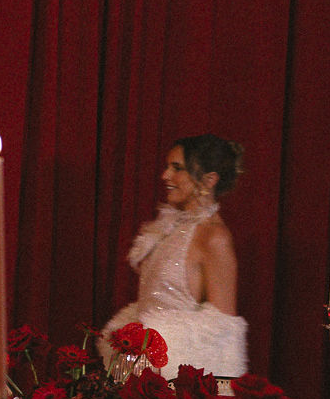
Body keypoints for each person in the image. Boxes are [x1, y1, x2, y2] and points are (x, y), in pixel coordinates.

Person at [100, 134, 246, 379]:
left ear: (209, 180)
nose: (165, 176)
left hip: (174, 377)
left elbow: (223, 328)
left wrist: (158, 343)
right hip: (142, 372)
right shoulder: (170, 228)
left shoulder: (214, 236)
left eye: (177, 168)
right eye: (168, 167)